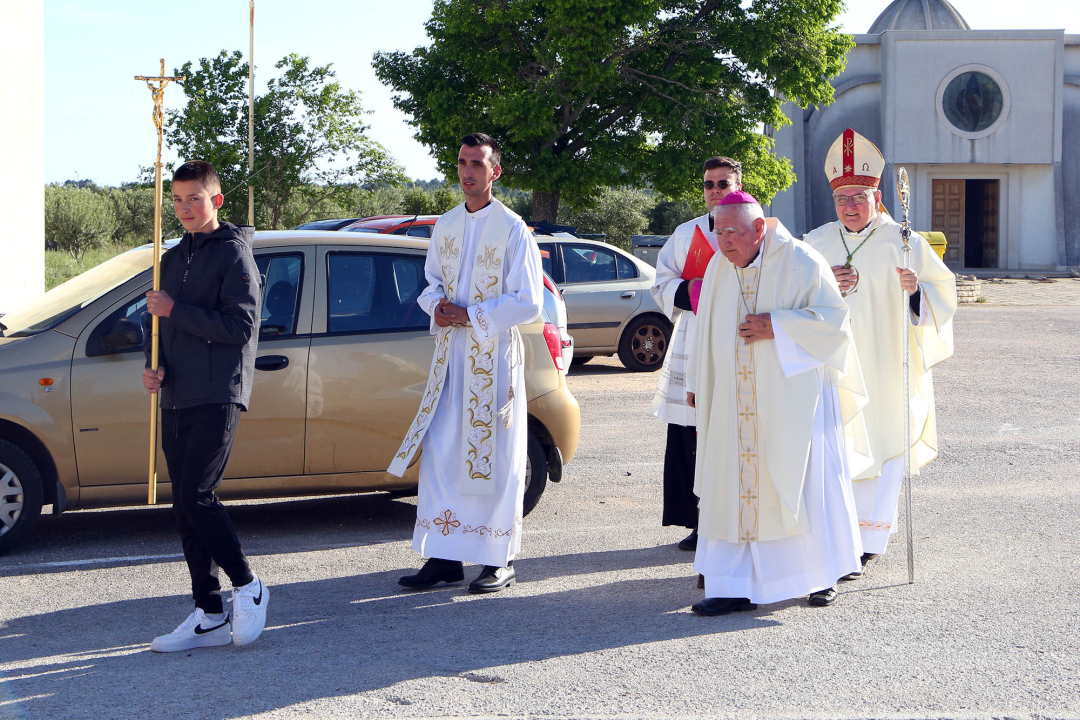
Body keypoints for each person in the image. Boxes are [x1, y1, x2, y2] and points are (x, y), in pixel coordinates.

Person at [685, 192, 871, 615]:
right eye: (718, 232)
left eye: (732, 232)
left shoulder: (802, 260)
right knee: (732, 483)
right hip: (734, 399)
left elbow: (836, 323)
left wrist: (779, 327)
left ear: (759, 228)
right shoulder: (718, 267)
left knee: (803, 484)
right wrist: (699, 379)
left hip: (794, 401)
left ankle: (821, 574)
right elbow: (706, 327)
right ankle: (732, 585)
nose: (724, 241)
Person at [388, 133, 544, 593]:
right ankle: (444, 555)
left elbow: (530, 301)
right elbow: (431, 280)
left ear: (495, 171)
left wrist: (472, 315)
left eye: (477, 163)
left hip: (492, 357)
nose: (468, 171)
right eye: (462, 162)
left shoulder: (513, 228)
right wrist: (435, 305)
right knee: (443, 451)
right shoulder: (448, 225)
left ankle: (499, 557)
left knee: (494, 455)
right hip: (450, 357)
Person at [802, 129, 956, 578]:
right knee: (838, 445)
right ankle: (837, 536)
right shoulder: (815, 243)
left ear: (878, 195)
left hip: (889, 366)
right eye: (842, 198)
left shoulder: (903, 241)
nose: (850, 206)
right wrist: (825, 282)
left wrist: (916, 292)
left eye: (859, 196)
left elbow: (943, 295)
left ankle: (869, 541)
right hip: (835, 368)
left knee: (884, 440)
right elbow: (792, 295)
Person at [141, 160, 267, 651]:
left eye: (195, 198)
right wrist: (155, 367)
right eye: (177, 200)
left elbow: (240, 329)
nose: (185, 208)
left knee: (197, 494)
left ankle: (249, 586)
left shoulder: (235, 255)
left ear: (216, 201)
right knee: (183, 505)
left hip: (219, 392)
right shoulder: (170, 260)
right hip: (176, 394)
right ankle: (209, 610)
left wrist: (176, 310)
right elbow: (161, 330)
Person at [650, 157, 743, 553]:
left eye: (724, 183)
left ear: (738, 184)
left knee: (738, 427)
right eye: (709, 184)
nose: (716, 191)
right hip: (695, 336)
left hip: (742, 341)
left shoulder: (760, 229)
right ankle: (699, 520)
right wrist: (695, 292)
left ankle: (739, 517)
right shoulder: (686, 233)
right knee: (691, 431)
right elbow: (661, 281)